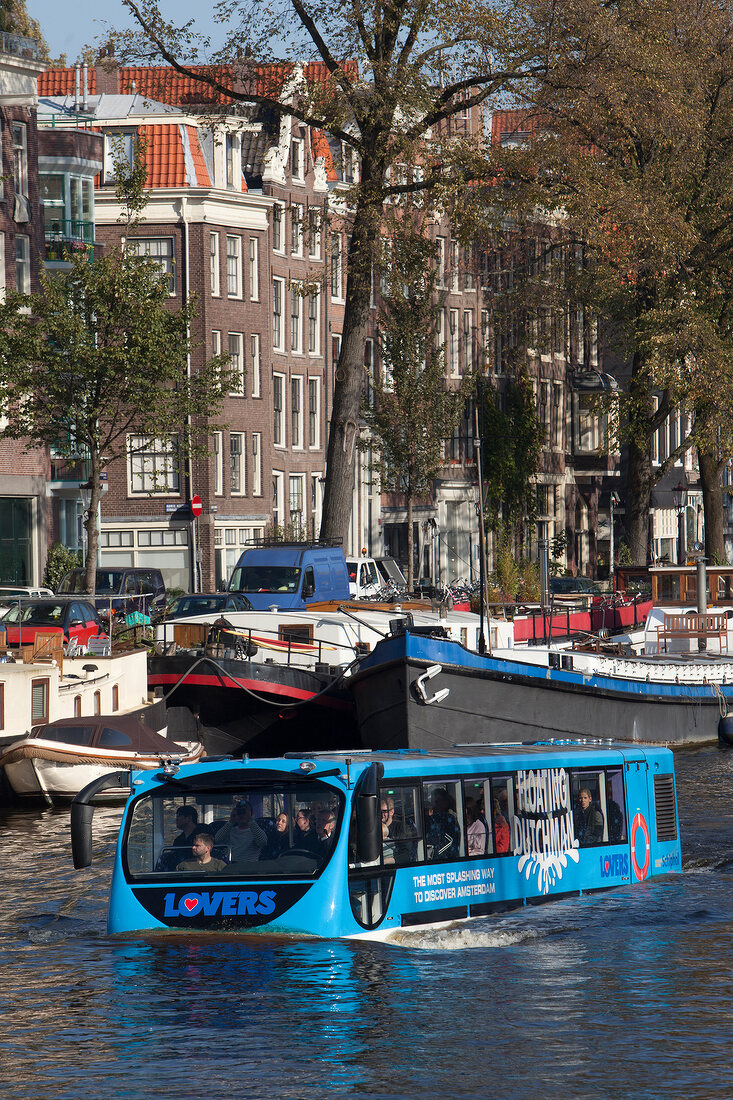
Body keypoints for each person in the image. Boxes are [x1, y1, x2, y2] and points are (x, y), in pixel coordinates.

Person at [425, 788, 461, 861]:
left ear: (445, 802)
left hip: (447, 860)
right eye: (433, 802)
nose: (434, 804)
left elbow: (449, 840)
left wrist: (435, 854)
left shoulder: (449, 819)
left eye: (437, 801)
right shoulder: (431, 818)